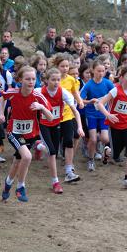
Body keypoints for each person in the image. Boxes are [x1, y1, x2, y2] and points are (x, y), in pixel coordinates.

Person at [0, 66, 53, 203]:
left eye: (33, 79)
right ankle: (20, 187)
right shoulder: (13, 92)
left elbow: (51, 117)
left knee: (18, 161)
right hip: (14, 132)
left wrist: (41, 107)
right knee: (27, 157)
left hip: (30, 134)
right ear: (20, 80)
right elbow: (2, 97)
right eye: (27, 79)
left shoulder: (38, 96)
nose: (31, 82)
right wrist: (1, 114)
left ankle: (7, 184)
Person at [97, 66, 127, 190]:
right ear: (121, 78)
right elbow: (100, 103)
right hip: (114, 127)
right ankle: (106, 151)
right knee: (115, 156)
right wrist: (108, 115)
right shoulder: (115, 91)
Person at [39, 68, 84, 193]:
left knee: (53, 149)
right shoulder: (39, 92)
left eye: (58, 80)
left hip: (56, 123)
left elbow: (75, 111)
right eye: (53, 80)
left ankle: (39, 146)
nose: (56, 82)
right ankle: (55, 182)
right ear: (46, 81)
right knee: (52, 152)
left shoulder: (64, 93)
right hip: (43, 124)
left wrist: (79, 127)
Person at [52, 53, 84, 181]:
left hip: (68, 114)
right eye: (62, 66)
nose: (65, 68)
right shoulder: (54, 79)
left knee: (69, 141)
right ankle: (53, 166)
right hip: (54, 116)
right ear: (57, 66)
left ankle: (69, 169)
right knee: (53, 145)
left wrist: (80, 101)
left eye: (67, 66)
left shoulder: (71, 80)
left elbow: (75, 92)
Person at [80, 60, 115, 169]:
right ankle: (91, 160)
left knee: (105, 138)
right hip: (91, 115)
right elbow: (80, 100)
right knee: (93, 139)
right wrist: (89, 101)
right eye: (98, 71)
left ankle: (105, 154)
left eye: (103, 71)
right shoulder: (89, 85)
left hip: (103, 114)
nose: (100, 73)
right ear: (93, 71)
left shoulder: (107, 83)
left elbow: (116, 94)